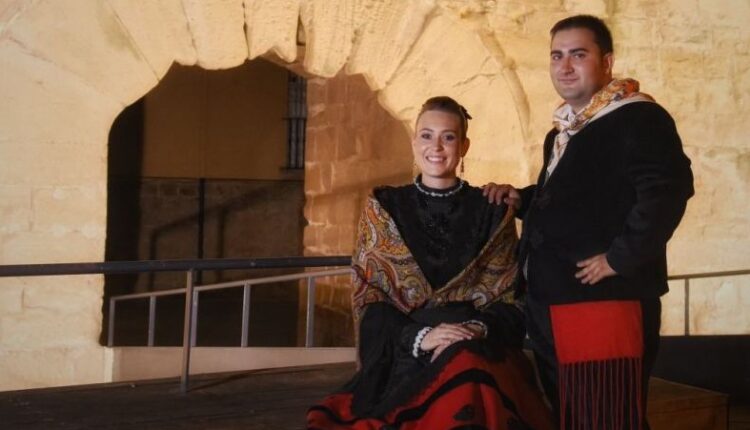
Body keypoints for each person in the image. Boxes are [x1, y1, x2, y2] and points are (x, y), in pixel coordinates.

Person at [483, 15, 694, 430]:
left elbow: (668, 190)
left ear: (607, 62)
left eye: (578, 55)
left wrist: (620, 258)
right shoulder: (564, 130)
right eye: (556, 56)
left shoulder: (638, 117)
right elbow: (580, 198)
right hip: (555, 302)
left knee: (606, 418)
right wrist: (522, 198)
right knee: (574, 417)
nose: (564, 66)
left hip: (604, 303)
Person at [307, 96, 555, 429]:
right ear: (414, 142)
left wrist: (473, 330)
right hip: (408, 349)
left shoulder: (492, 209)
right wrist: (423, 337)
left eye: (448, 137)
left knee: (469, 372)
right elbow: (371, 297)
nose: (436, 147)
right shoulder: (384, 206)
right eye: (426, 135)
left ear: (464, 146)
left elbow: (511, 299)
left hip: (477, 344)